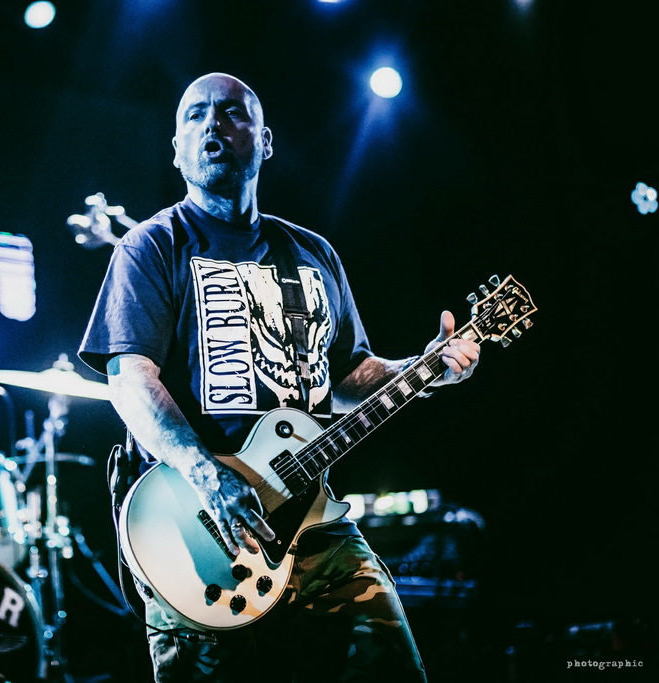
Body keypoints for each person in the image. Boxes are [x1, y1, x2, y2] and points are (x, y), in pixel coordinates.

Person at [78, 73, 480, 682]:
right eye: (195, 116)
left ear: (265, 142)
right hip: (199, 526)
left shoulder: (313, 254)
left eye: (231, 112)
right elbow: (130, 377)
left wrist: (424, 370)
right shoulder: (151, 246)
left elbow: (348, 376)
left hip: (314, 524)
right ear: (177, 150)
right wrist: (206, 473)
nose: (213, 125)